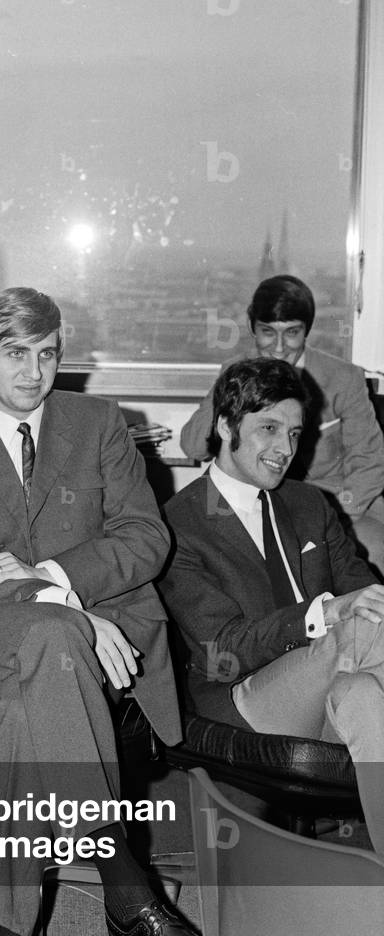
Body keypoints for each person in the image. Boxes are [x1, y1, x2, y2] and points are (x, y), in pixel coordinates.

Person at [0, 288, 194, 936]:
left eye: (47, 354)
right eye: (14, 354)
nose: (33, 372)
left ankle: (11, 920)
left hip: (83, 630)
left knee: (28, 695)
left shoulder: (98, 422)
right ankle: (124, 879)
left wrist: (53, 579)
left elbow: (147, 537)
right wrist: (62, 604)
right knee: (56, 634)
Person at [162, 357, 384, 854]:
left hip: (328, 688)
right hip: (242, 700)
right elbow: (224, 649)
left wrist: (354, 609)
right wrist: (325, 614)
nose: (284, 450)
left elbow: (366, 596)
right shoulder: (179, 525)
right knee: (359, 626)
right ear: (224, 425)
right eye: (268, 429)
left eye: (295, 433)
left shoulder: (310, 505)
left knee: (364, 694)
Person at [180, 274, 384, 575]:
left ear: (306, 331)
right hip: (256, 505)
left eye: (291, 333)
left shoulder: (344, 378)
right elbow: (193, 446)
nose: (278, 347)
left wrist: (328, 515)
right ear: (252, 329)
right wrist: (229, 385)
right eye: (267, 332)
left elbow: (369, 463)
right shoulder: (236, 372)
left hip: (339, 506)